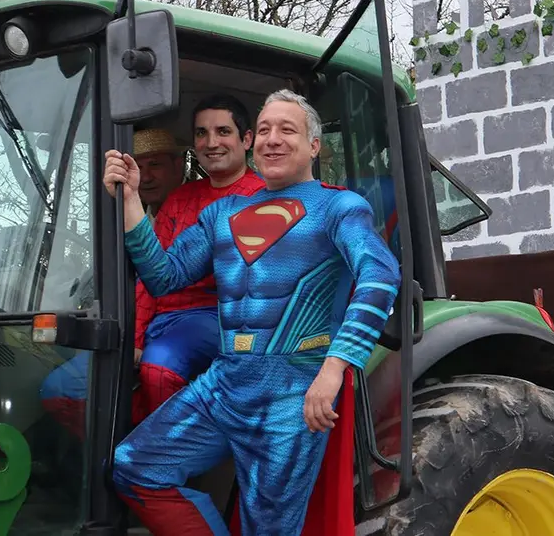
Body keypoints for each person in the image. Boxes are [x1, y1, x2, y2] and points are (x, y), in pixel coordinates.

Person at [107, 89, 401, 536]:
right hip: (225, 384)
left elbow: (379, 278)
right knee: (135, 466)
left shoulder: (338, 206)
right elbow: (164, 275)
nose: (272, 139)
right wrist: (130, 200)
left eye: (287, 130)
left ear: (314, 146)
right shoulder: (221, 212)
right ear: (252, 142)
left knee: (269, 528)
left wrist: (334, 368)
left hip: (294, 393)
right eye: (264, 130)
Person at [41, 100, 266, 436]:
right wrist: (134, 336)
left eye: (223, 132)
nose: (211, 142)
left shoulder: (263, 198)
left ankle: (162, 460)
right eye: (202, 133)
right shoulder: (181, 198)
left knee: (159, 369)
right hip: (160, 317)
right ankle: (122, 449)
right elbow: (152, 275)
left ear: (246, 140)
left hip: (213, 316)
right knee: (58, 388)